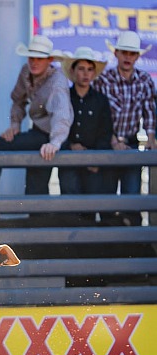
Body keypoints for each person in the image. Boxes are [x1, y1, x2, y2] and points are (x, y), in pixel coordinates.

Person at [0, 35, 73, 195]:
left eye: (39, 58)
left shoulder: (57, 82)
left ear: (49, 60)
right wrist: (15, 125)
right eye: (31, 58)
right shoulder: (26, 71)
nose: (34, 62)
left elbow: (61, 115)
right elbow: (18, 99)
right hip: (39, 133)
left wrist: (55, 142)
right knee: (35, 183)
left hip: (58, 137)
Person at [93, 30, 156, 226]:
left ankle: (134, 246)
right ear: (116, 54)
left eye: (132, 53)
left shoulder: (144, 80)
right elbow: (98, 115)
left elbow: (149, 113)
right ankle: (108, 247)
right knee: (107, 200)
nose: (128, 57)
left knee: (132, 199)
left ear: (137, 56)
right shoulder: (103, 79)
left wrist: (151, 138)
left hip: (130, 143)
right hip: (106, 143)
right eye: (124, 53)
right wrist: (111, 139)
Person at [59, 47, 113, 196]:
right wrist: (69, 145)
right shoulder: (63, 98)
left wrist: (96, 159)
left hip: (92, 163)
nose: (85, 73)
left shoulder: (101, 100)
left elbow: (105, 133)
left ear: (94, 74)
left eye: (89, 69)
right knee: (69, 204)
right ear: (73, 71)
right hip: (67, 160)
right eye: (81, 69)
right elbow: (55, 127)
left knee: (90, 206)